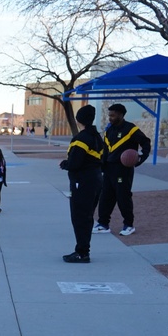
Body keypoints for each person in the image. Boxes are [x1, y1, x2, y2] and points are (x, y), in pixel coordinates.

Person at [94, 103, 151, 236]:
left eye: (113, 115)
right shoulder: (109, 130)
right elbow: (106, 149)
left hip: (123, 170)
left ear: (121, 114)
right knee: (105, 197)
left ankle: (128, 225)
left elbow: (145, 142)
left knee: (123, 197)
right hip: (109, 169)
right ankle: (103, 224)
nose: (110, 117)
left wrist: (141, 158)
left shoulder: (131, 129)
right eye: (109, 115)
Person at [59, 104, 104, 263]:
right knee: (87, 216)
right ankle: (83, 249)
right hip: (96, 179)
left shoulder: (81, 138)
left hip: (83, 182)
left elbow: (75, 162)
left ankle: (82, 252)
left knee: (80, 217)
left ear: (79, 119)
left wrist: (65, 164)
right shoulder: (97, 136)